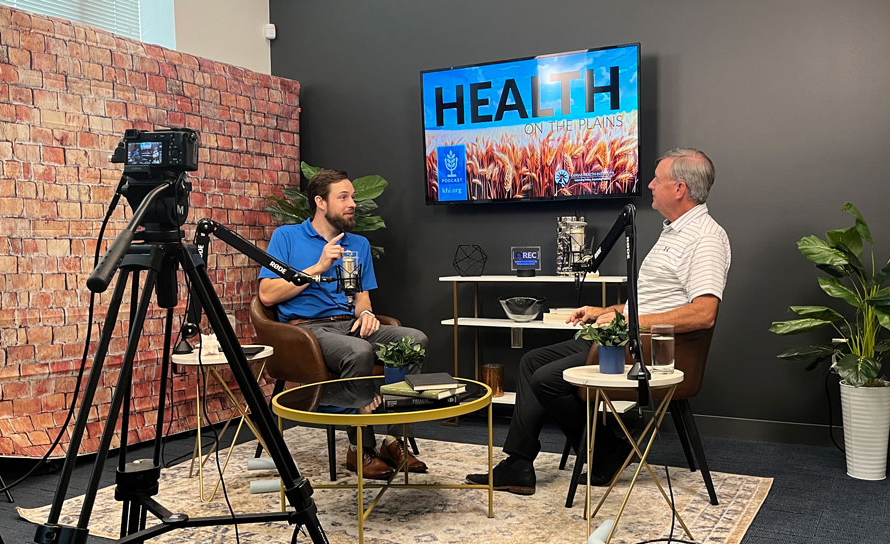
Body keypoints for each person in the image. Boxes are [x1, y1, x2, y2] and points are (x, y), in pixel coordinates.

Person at [467, 148, 731, 495]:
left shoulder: (706, 238)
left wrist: (630, 326)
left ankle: (607, 448)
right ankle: (519, 464)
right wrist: (607, 311)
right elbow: (650, 300)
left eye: (657, 179)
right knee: (533, 361)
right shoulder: (673, 232)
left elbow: (703, 313)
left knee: (548, 379)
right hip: (626, 339)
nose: (649, 184)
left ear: (679, 188)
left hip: (654, 351)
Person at [259, 169, 430, 480]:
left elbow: (361, 296)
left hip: (348, 324)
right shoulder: (286, 237)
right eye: (344, 197)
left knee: (413, 341)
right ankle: (360, 448)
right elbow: (267, 295)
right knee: (358, 352)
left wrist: (366, 313)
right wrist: (318, 267)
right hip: (307, 330)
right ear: (320, 202)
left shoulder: (359, 244)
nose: (353, 203)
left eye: (353, 196)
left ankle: (394, 439)